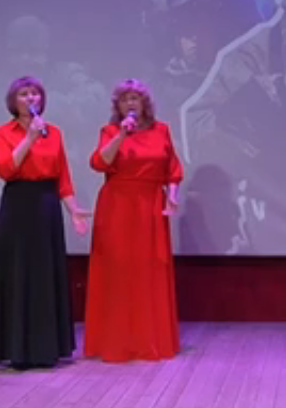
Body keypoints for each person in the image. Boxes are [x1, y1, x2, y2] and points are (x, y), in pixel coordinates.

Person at [0, 76, 90, 369]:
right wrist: (29, 138)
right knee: (18, 273)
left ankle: (46, 348)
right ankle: (15, 348)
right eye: (24, 94)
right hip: (18, 205)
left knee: (44, 275)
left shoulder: (53, 133)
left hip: (46, 206)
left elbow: (62, 176)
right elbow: (5, 169)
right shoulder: (3, 133)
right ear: (13, 101)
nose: (30, 98)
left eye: (35, 93)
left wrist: (73, 209)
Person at [85, 78, 183, 362]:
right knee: (118, 268)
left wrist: (172, 196)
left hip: (150, 205)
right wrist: (120, 136)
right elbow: (99, 163)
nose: (131, 103)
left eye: (135, 98)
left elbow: (173, 169)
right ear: (117, 106)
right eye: (125, 99)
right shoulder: (110, 131)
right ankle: (117, 341)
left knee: (149, 268)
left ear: (145, 104)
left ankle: (149, 339)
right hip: (117, 205)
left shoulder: (161, 130)